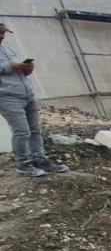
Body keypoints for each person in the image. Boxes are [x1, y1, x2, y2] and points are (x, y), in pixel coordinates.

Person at [0, 23, 69, 177]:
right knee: (22, 132)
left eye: (3, 33)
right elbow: (7, 68)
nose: (2, 36)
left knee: (35, 130)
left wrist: (27, 70)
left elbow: (16, 73)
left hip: (27, 95)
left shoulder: (8, 50)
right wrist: (10, 66)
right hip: (7, 97)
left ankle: (39, 160)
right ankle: (23, 165)